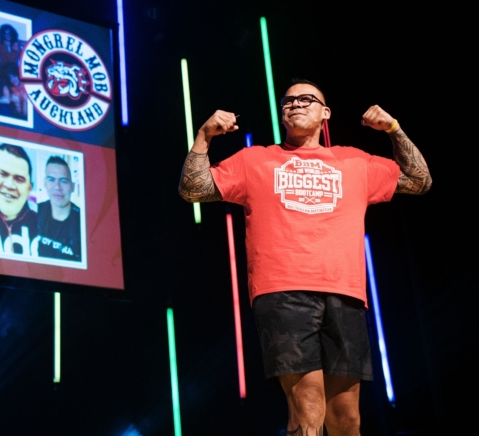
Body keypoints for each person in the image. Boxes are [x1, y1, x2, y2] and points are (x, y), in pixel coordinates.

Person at [178, 79, 432, 436]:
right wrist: (204, 135)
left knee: (347, 418)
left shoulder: (354, 161)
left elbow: (419, 180)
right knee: (308, 405)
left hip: (345, 292)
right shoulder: (255, 159)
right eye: (288, 101)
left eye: (306, 99)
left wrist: (394, 129)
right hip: (282, 291)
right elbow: (193, 190)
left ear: (325, 114)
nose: (295, 104)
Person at [0, 143, 38, 257]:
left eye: (19, 179)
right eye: (3, 174)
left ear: (29, 187)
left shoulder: (40, 224)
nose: (10, 185)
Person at [36, 156, 81, 262]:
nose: (57, 187)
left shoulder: (84, 222)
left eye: (63, 181)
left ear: (72, 186)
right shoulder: (34, 211)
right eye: (51, 180)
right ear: (45, 183)